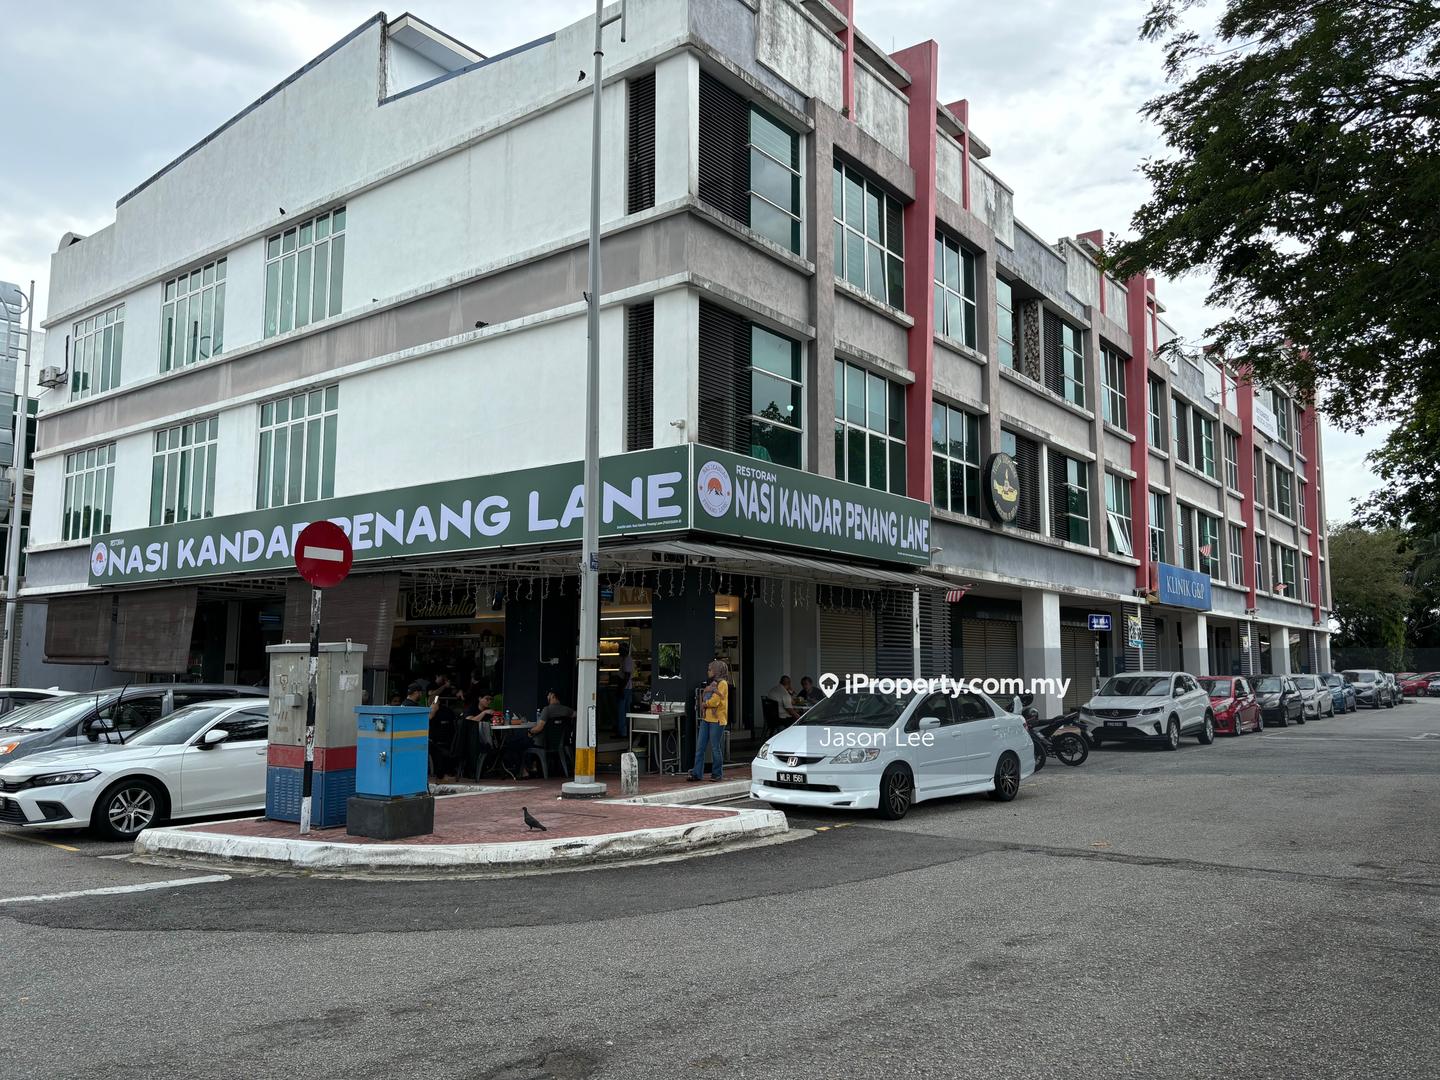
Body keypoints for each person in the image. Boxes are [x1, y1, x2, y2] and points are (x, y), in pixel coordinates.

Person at [503, 690, 576, 779]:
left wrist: (529, 732)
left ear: (553, 696)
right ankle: (531, 767)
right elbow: (576, 714)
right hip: (560, 743)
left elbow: (539, 728)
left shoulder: (547, 710)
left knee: (514, 743)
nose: (547, 697)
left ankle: (524, 770)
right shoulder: (567, 710)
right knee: (518, 742)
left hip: (543, 743)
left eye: (549, 695)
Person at [687, 659, 729, 782]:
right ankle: (697, 773)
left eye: (710, 669)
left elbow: (716, 701)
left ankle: (717, 774)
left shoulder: (723, 684)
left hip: (717, 720)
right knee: (700, 747)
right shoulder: (713, 684)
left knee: (715, 747)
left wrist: (705, 704)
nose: (708, 671)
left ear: (716, 670)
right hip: (706, 719)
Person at [616, 642, 635, 738]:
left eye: (620, 649)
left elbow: (627, 675)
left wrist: (621, 688)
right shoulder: (625, 659)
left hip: (625, 688)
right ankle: (626, 731)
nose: (618, 651)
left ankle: (623, 732)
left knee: (622, 711)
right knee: (626, 710)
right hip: (627, 688)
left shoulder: (627, 660)